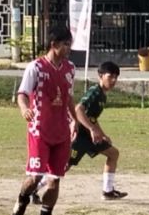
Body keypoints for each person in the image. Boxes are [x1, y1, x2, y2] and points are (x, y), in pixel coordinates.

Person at [10, 26, 77, 215]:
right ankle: (22, 200)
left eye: (70, 44)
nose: (69, 48)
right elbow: (22, 94)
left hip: (61, 132)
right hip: (40, 130)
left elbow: (69, 97)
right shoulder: (36, 68)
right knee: (35, 176)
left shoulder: (70, 68)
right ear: (54, 45)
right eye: (65, 44)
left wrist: (74, 120)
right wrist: (24, 109)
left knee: (54, 180)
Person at [32, 61, 128, 204]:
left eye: (116, 77)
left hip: (90, 137)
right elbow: (78, 109)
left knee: (113, 153)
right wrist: (91, 129)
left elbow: (92, 118)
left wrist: (101, 134)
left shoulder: (102, 95)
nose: (113, 80)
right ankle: (33, 189)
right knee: (63, 167)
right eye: (110, 76)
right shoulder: (95, 92)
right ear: (100, 76)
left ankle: (108, 191)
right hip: (80, 137)